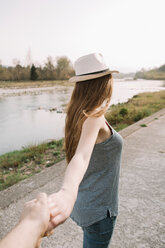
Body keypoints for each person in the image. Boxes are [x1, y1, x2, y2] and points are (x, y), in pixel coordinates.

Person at [47, 53, 123, 248]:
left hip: (84, 206)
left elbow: (81, 154)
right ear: (105, 82)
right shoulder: (94, 117)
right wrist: (65, 191)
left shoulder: (78, 115)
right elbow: (81, 157)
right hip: (99, 212)